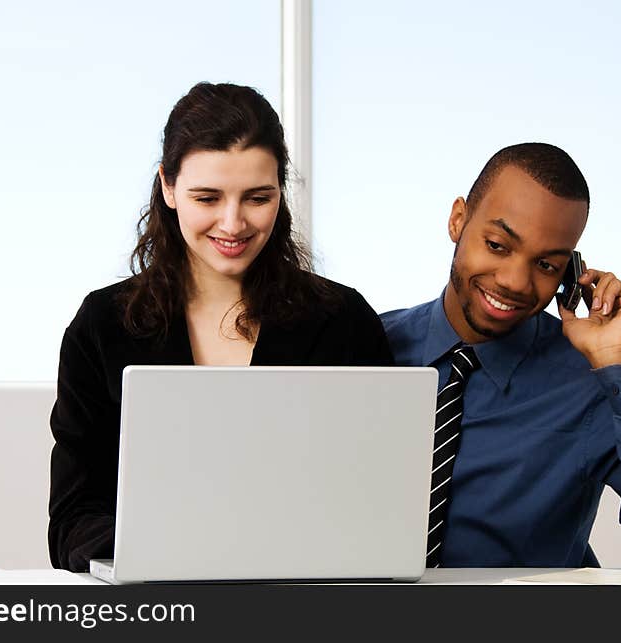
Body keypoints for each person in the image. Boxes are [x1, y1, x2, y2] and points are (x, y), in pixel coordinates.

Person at [48, 82, 393, 571]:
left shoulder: (343, 319)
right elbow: (72, 519)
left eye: (257, 198)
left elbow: (377, 497)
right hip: (158, 601)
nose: (233, 225)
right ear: (168, 187)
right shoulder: (103, 325)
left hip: (309, 592)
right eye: (207, 197)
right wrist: (166, 552)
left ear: (281, 191)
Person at [381, 143, 621, 569]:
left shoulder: (590, 382)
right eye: (496, 244)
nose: (513, 281)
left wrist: (616, 359)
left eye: (546, 265)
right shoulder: (369, 348)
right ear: (458, 219)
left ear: (568, 272)